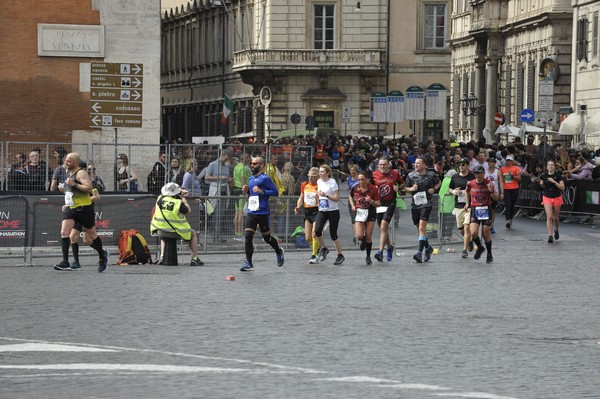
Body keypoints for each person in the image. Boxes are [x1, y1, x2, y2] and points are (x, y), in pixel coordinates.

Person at [54, 153, 109, 272]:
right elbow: (72, 191)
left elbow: (89, 188)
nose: (66, 162)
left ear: (76, 163)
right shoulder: (68, 173)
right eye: (66, 160)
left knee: (91, 234)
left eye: (69, 161)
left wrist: (73, 184)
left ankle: (102, 256)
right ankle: (66, 262)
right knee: (65, 232)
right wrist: (64, 190)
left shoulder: (81, 173)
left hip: (84, 208)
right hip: (71, 207)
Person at [240, 156, 285, 271]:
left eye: (255, 164)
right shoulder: (250, 179)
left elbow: (275, 192)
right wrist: (246, 191)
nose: (252, 165)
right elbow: (251, 195)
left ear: (261, 165)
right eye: (252, 163)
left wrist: (262, 191)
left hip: (262, 212)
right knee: (248, 237)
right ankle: (248, 262)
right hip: (251, 211)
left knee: (267, 238)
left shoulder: (265, 179)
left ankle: (278, 251)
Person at [150, 182, 203, 266]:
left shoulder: (160, 199)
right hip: (176, 232)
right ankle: (194, 259)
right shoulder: (178, 203)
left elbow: (166, 193)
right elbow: (188, 211)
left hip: (160, 231)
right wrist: (183, 198)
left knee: (164, 236)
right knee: (193, 234)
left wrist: (177, 191)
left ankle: (162, 257)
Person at [404, 157, 441, 263]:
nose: (416, 165)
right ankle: (428, 248)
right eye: (415, 163)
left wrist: (434, 189)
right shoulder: (411, 175)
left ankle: (419, 253)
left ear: (424, 165)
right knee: (420, 230)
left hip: (426, 204)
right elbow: (405, 187)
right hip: (415, 205)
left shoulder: (431, 175)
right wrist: (411, 189)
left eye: (418, 163)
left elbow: (439, 182)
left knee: (421, 228)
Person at [67, 161, 102, 270]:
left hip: (87, 211)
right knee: (73, 236)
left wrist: (84, 201)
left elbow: (96, 197)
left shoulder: (91, 183)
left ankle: (102, 253)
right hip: (76, 212)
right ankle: (76, 262)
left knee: (87, 240)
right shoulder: (73, 181)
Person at [464, 165, 499, 263]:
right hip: (475, 209)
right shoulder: (470, 183)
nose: (477, 175)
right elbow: (466, 192)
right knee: (474, 233)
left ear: (483, 174)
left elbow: (496, 198)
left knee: (485, 232)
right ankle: (480, 247)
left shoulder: (489, 183)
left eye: (479, 173)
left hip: (486, 209)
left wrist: (491, 191)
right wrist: (467, 203)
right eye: (475, 173)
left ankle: (489, 254)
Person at [371, 157, 404, 262]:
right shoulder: (374, 174)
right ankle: (389, 247)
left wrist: (399, 188)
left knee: (384, 225)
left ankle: (380, 252)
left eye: (384, 164)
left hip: (390, 203)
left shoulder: (395, 174)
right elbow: (369, 186)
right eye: (380, 165)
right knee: (382, 228)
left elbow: (403, 183)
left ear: (388, 165)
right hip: (379, 204)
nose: (382, 167)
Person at [314, 164, 345, 265]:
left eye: (322, 171)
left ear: (327, 173)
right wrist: (317, 196)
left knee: (333, 234)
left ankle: (340, 255)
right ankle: (324, 248)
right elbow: (319, 194)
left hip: (333, 211)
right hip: (322, 209)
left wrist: (326, 195)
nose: (320, 173)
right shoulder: (319, 181)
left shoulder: (332, 182)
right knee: (317, 231)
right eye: (320, 171)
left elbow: (337, 198)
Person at [349, 172, 381, 265]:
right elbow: (350, 196)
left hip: (370, 212)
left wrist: (371, 201)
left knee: (368, 235)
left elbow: (378, 203)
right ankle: (361, 240)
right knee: (359, 235)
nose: (361, 181)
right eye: (359, 180)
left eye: (363, 179)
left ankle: (368, 257)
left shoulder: (373, 189)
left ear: (367, 179)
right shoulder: (355, 188)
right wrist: (352, 205)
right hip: (360, 212)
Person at [448, 158, 475, 258]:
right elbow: (450, 188)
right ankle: (470, 240)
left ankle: (464, 250)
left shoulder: (472, 177)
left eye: (463, 165)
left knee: (467, 227)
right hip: (458, 206)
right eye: (459, 165)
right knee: (461, 230)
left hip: (469, 206)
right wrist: (454, 191)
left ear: (467, 166)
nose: (461, 167)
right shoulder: (455, 177)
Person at [294, 167, 320, 263]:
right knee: (308, 237)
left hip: (317, 211)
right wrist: (298, 206)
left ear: (317, 176)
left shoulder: (320, 185)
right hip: (307, 212)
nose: (310, 178)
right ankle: (318, 247)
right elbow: (301, 197)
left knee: (314, 233)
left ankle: (314, 255)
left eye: (313, 176)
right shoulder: (304, 185)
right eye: (309, 176)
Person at [539, 160, 565, 243]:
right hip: (547, 197)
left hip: (557, 197)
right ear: (547, 167)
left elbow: (562, 187)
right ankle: (550, 235)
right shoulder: (543, 175)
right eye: (549, 165)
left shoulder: (558, 175)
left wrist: (554, 182)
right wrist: (541, 183)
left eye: (552, 165)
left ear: (554, 167)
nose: (550, 166)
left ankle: (556, 230)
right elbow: (541, 184)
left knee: (556, 218)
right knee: (549, 216)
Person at [233, 154, 250, 241]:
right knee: (240, 213)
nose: (249, 159)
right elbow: (243, 180)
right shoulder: (243, 168)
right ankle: (240, 234)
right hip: (241, 191)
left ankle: (236, 234)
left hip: (236, 190)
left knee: (237, 213)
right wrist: (246, 193)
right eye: (247, 157)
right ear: (243, 159)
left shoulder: (236, 167)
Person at [500, 155, 521, 228]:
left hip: (514, 188)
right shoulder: (502, 169)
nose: (508, 162)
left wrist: (513, 176)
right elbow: (501, 181)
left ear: (512, 162)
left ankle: (510, 219)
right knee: (507, 205)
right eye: (507, 160)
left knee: (512, 205)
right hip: (506, 189)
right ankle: (507, 220)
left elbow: (519, 178)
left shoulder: (516, 168)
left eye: (509, 161)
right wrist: (501, 191)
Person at [484, 157, 503, 234]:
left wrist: (502, 193)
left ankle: (491, 225)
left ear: (494, 163)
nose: (489, 163)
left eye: (491, 162)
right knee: (485, 208)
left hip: (494, 192)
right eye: (488, 162)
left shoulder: (497, 172)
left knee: (493, 210)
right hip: (486, 193)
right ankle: (485, 224)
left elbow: (501, 182)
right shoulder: (485, 171)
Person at [346, 165, 360, 245]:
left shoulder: (360, 178)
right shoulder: (348, 179)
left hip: (359, 200)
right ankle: (356, 235)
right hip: (351, 200)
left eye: (353, 170)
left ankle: (361, 234)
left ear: (356, 171)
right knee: (353, 218)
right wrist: (348, 188)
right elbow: (349, 187)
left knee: (360, 217)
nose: (352, 172)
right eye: (351, 170)